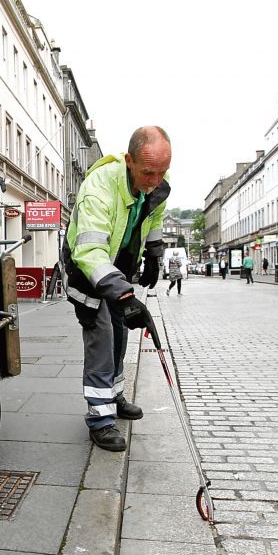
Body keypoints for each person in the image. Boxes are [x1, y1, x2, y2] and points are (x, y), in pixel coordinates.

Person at [62, 126, 171, 452]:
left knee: (120, 334)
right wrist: (123, 294)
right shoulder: (99, 189)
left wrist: (154, 253)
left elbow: (153, 219)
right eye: (147, 172)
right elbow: (90, 252)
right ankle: (100, 420)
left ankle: (115, 396)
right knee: (102, 338)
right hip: (88, 272)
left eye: (162, 172)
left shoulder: (156, 187)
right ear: (128, 161)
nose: (154, 180)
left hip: (118, 271)